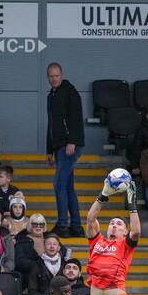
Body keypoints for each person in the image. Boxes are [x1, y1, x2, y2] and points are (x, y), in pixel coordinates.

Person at [45, 63, 85, 237]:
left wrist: (72, 142)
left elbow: (76, 119)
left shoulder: (71, 92)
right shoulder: (51, 96)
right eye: (51, 76)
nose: (54, 79)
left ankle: (63, 225)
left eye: (56, 75)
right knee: (68, 186)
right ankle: (76, 226)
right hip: (58, 145)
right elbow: (51, 125)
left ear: (62, 75)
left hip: (69, 145)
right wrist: (49, 150)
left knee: (59, 183)